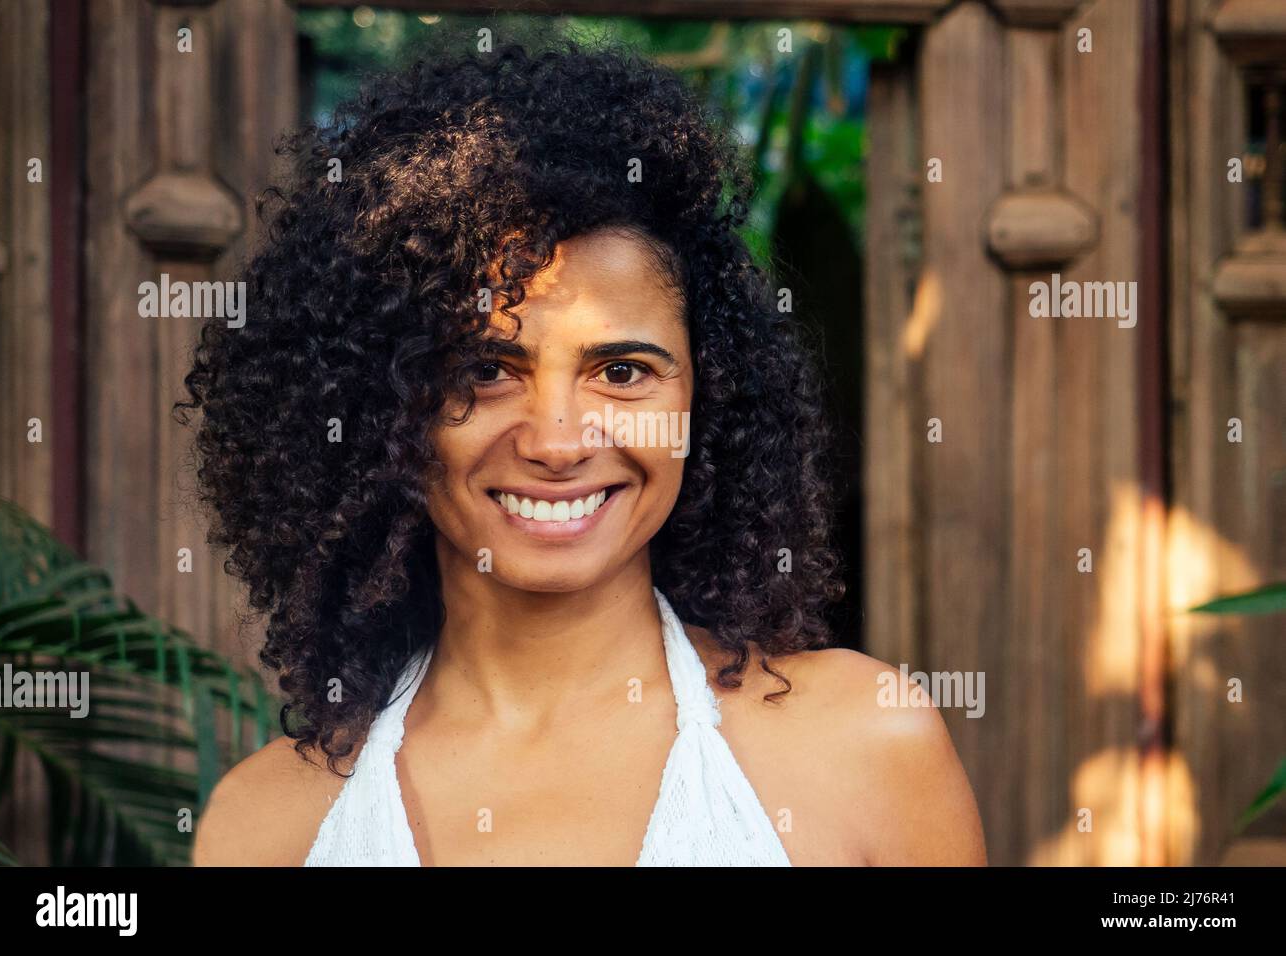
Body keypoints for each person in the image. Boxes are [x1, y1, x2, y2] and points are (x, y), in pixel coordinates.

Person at [184, 28, 985, 866]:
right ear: (386, 407)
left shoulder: (864, 742)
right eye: (486, 369)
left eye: (624, 371)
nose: (558, 441)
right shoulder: (268, 827)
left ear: (703, 398)